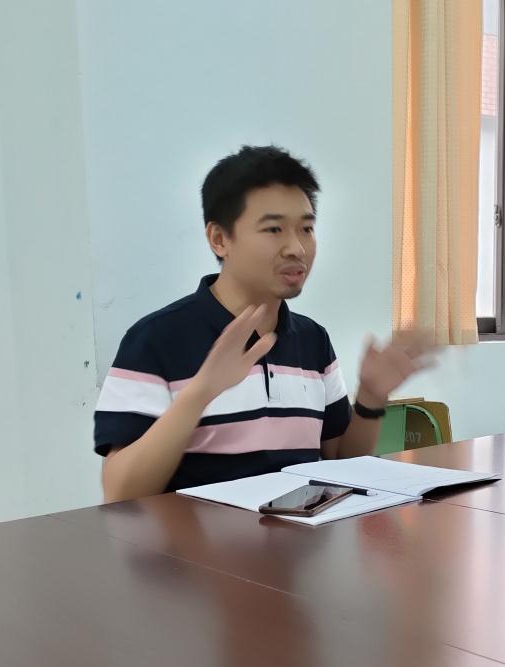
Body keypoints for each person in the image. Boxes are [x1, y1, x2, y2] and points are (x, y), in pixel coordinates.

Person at [94, 145, 434, 502]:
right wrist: (202, 391)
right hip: (195, 540)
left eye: (306, 229)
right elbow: (121, 493)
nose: (296, 248)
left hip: (301, 536)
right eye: (274, 229)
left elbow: (339, 462)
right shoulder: (155, 339)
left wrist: (371, 398)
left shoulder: (313, 340)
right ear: (219, 239)